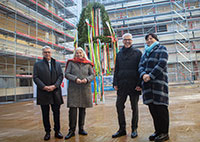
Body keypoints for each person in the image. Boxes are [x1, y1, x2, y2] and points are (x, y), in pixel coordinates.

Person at [138, 33, 169, 142]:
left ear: (156, 39)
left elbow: (162, 63)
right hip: (147, 85)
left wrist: (150, 76)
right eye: (147, 39)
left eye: (151, 38)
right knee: (153, 109)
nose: (149, 40)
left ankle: (165, 132)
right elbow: (140, 66)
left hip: (158, 84)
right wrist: (143, 75)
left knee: (161, 109)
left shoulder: (162, 49)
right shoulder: (145, 53)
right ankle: (158, 131)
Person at [112, 33, 142, 138]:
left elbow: (141, 69)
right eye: (125, 40)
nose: (127, 41)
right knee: (119, 106)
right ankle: (122, 129)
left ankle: (134, 129)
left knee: (134, 107)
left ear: (132, 41)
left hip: (134, 85)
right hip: (122, 85)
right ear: (122, 41)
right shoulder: (119, 54)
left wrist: (140, 84)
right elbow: (116, 69)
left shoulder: (138, 53)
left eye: (129, 39)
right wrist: (115, 82)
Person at [33, 46, 64, 141]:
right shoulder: (38, 64)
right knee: (45, 114)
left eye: (49, 52)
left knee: (56, 113)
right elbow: (35, 77)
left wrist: (55, 86)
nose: (47, 54)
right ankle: (47, 132)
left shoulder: (57, 64)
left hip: (55, 92)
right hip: (44, 92)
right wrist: (44, 87)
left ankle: (57, 131)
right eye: (45, 52)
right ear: (42, 53)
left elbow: (60, 76)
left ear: (51, 53)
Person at [64, 47, 94, 139]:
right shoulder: (71, 63)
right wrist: (75, 79)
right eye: (77, 53)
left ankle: (81, 128)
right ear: (75, 54)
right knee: (72, 110)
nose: (79, 54)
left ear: (83, 54)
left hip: (84, 89)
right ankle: (71, 130)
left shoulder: (88, 64)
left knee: (82, 110)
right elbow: (67, 74)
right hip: (74, 89)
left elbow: (92, 75)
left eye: (80, 53)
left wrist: (87, 79)